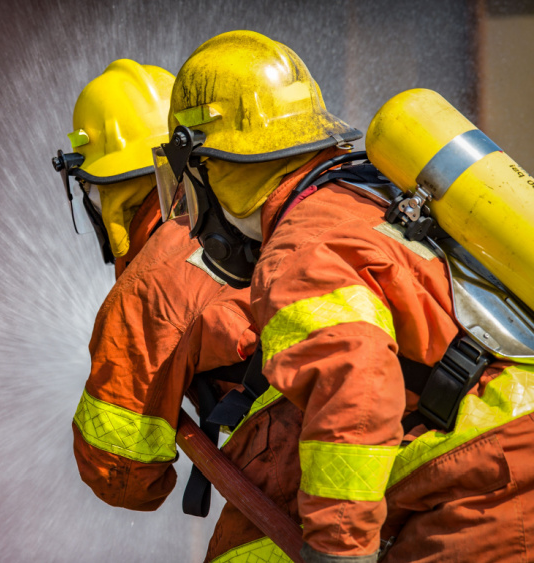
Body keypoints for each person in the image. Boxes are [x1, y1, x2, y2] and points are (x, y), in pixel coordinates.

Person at [161, 30, 534, 562]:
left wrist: (339, 548)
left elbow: (355, 383)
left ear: (209, 166)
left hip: (486, 479)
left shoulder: (297, 251)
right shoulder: (366, 192)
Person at [56, 59, 304, 563]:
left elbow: (122, 477)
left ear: (100, 189)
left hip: (303, 455)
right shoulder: (251, 213)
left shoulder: (152, 283)